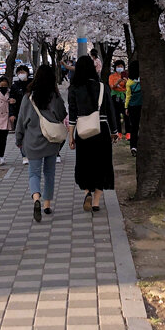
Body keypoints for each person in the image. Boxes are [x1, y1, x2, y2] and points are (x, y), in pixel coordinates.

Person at [16, 64, 67, 222]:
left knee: (34, 173)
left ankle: (36, 198)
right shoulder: (55, 97)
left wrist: (18, 139)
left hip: (32, 141)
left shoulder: (28, 97)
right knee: (49, 173)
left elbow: (21, 121)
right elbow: (62, 114)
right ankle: (47, 204)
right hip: (51, 141)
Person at [68, 55, 119, 213]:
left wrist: (71, 136)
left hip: (83, 130)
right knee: (102, 164)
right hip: (101, 129)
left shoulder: (74, 89)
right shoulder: (102, 87)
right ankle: (96, 201)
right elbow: (110, 111)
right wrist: (114, 132)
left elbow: (72, 115)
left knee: (84, 163)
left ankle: (87, 193)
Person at [8, 65, 32, 164]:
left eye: (23, 72)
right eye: (19, 72)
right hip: (19, 113)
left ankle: (31, 153)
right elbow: (11, 101)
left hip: (31, 113)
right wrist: (12, 114)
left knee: (31, 134)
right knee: (20, 134)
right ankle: (24, 155)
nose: (21, 74)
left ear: (27, 73)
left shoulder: (32, 84)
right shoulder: (15, 86)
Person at [125, 60, 142, 156]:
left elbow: (128, 96)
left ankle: (133, 146)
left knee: (134, 127)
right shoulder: (144, 81)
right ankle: (141, 145)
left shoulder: (129, 82)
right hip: (142, 106)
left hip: (132, 107)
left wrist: (126, 107)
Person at [109, 60, 128, 133]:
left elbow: (128, 87)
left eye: (121, 66)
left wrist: (126, 82)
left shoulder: (126, 76)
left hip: (124, 96)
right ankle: (118, 132)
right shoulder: (112, 76)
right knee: (116, 114)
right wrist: (118, 82)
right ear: (115, 67)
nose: (120, 68)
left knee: (126, 114)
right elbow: (112, 86)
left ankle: (128, 132)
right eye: (118, 66)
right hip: (115, 96)